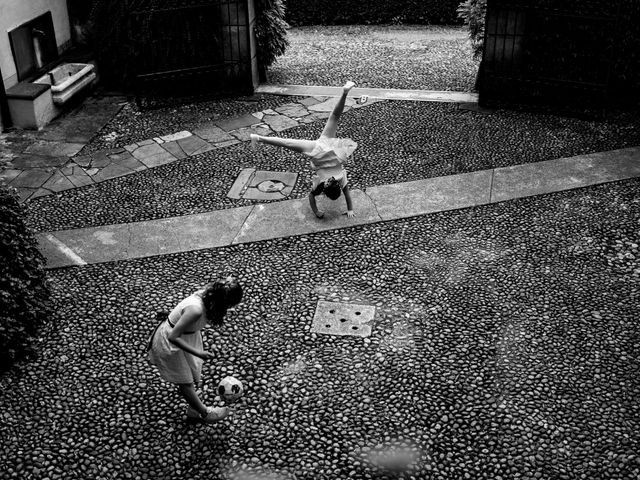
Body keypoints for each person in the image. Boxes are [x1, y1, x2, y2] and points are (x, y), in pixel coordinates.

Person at [250, 81, 358, 219]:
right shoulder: (320, 184)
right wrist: (317, 213)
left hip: (330, 147)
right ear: (325, 190)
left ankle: (345, 92)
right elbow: (312, 196)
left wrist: (350, 209)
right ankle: (258, 138)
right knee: (287, 143)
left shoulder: (341, 178)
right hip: (317, 150)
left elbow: (347, 194)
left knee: (334, 117)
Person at [148, 277, 243, 423]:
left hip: (186, 336)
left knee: (190, 375)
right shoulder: (196, 310)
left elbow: (182, 313)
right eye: (229, 305)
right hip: (173, 343)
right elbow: (173, 337)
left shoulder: (208, 295)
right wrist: (198, 352)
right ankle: (204, 413)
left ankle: (194, 405)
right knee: (185, 381)